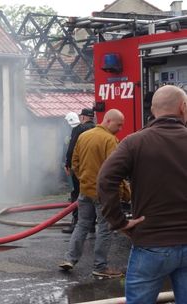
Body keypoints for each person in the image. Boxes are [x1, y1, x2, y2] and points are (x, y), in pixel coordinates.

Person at [98, 85, 187, 303]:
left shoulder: (134, 142)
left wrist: (118, 222)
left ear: (154, 110)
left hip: (151, 244)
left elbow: (105, 179)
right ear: (183, 108)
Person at [59, 109, 130, 278]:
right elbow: (116, 171)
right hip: (104, 194)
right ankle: (100, 266)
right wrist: (124, 193)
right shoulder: (110, 140)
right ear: (108, 121)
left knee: (82, 225)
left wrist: (83, 179)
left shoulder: (84, 136)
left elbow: (74, 162)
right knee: (105, 229)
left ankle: (70, 259)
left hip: (85, 191)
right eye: (118, 125)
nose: (120, 128)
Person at [62, 108, 96, 234]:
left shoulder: (79, 129)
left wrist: (67, 164)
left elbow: (72, 149)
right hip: (93, 169)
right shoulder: (97, 129)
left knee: (76, 195)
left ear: (82, 117)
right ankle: (92, 225)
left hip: (79, 169)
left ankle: (76, 224)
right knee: (92, 196)